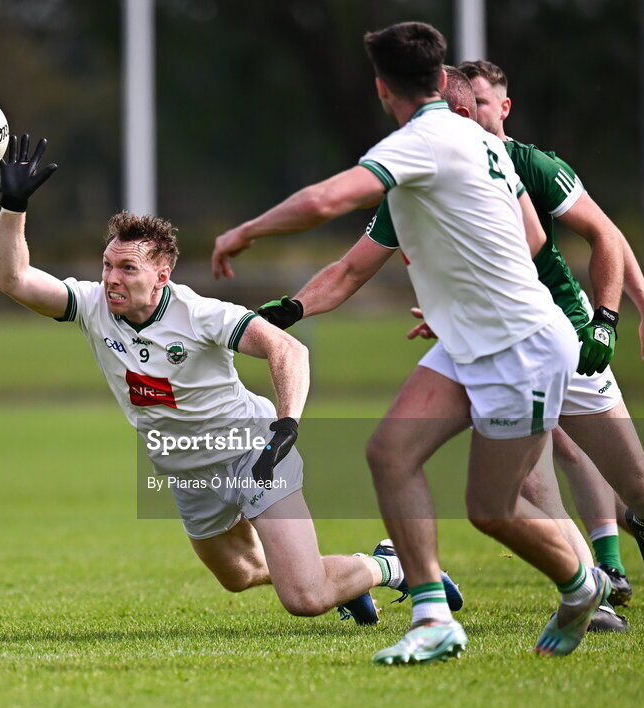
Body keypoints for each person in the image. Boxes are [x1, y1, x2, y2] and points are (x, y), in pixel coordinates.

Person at [211, 21, 607, 663]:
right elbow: (528, 236)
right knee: (390, 454)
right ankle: (432, 616)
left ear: (381, 88)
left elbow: (323, 200)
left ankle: (582, 584)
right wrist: (459, 293)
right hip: (473, 337)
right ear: (439, 78)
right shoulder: (475, 143)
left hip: (522, 346)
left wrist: (244, 233)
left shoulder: (421, 141)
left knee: (491, 510)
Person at [0, 132, 454, 625]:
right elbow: (12, 279)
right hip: (184, 469)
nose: (111, 279)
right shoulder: (92, 305)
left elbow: (286, 348)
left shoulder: (201, 314)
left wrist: (287, 423)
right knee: (241, 574)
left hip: (251, 450)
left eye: (127, 268)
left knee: (303, 598)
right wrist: (13, 204)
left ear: (162, 276)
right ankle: (344, 581)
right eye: (107, 265)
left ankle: (385, 564)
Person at [457, 59, 644, 607]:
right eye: (456, 109)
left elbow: (605, 235)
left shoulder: (533, 165)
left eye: (479, 106)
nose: (466, 117)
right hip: (503, 343)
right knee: (540, 467)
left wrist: (643, 311)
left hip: (565, 327)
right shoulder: (448, 173)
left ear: (502, 108)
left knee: (624, 474)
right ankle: (600, 583)